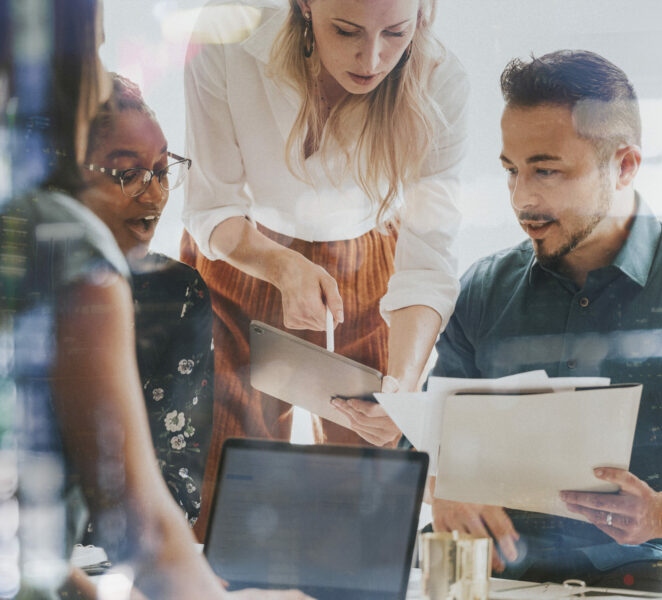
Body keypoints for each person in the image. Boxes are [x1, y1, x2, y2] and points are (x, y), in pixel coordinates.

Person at [0, 1, 309, 598]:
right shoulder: (62, 244)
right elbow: (139, 522)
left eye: (163, 170)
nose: (96, 72)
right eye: (91, 46)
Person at [429, 50, 662, 597]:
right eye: (511, 170)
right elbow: (431, 430)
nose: (522, 199)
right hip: (487, 567)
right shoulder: (483, 287)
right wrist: (442, 484)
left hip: (639, 569)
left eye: (547, 171)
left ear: (625, 165)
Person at [181, 0, 467, 534]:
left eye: (396, 32)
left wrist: (403, 388)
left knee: (367, 514)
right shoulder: (228, 28)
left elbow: (428, 264)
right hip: (240, 257)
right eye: (346, 30)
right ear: (304, 5)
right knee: (220, 502)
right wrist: (280, 265)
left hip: (373, 271)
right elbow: (209, 208)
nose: (372, 57)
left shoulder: (441, 82)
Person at [79, 73, 213, 527]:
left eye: (160, 171)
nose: (154, 195)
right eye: (129, 174)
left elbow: (177, 485)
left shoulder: (177, 294)